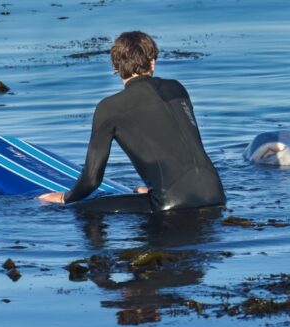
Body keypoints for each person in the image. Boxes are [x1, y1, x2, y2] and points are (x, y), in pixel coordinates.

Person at [39, 31, 225, 213]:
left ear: (115, 65)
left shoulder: (109, 107)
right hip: (215, 195)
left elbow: (91, 180)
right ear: (152, 62)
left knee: (79, 210)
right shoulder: (177, 89)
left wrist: (65, 198)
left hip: (171, 204)